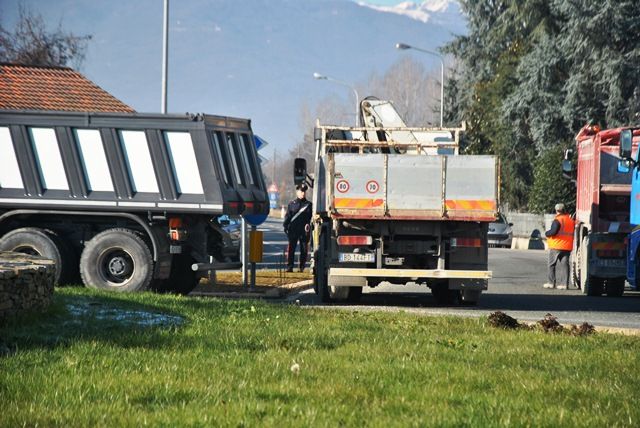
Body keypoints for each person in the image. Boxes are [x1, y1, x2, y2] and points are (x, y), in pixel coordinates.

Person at [543, 203, 575, 290]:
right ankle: (564, 284)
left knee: (551, 264)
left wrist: (547, 233)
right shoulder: (570, 220)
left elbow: (553, 232)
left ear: (556, 210)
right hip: (567, 247)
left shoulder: (557, 220)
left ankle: (551, 283)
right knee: (565, 265)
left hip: (556, 246)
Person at [283, 184, 312, 272]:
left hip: (304, 230)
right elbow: (288, 216)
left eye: (304, 191)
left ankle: (301, 267)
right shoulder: (292, 204)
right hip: (293, 229)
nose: (303, 193)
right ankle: (290, 267)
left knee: (304, 249)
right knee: (291, 249)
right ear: (297, 192)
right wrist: (285, 226)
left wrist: (309, 224)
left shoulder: (309, 205)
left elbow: (311, 217)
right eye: (301, 191)